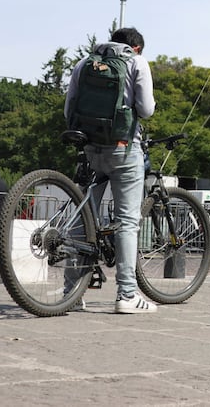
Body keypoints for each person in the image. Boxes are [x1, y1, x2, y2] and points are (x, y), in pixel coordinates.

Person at [64, 27, 157, 314]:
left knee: (82, 221)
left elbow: (69, 109)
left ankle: (71, 294)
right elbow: (146, 109)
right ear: (137, 47)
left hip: (91, 149)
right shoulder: (137, 62)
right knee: (127, 222)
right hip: (123, 150)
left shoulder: (84, 63)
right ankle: (127, 295)